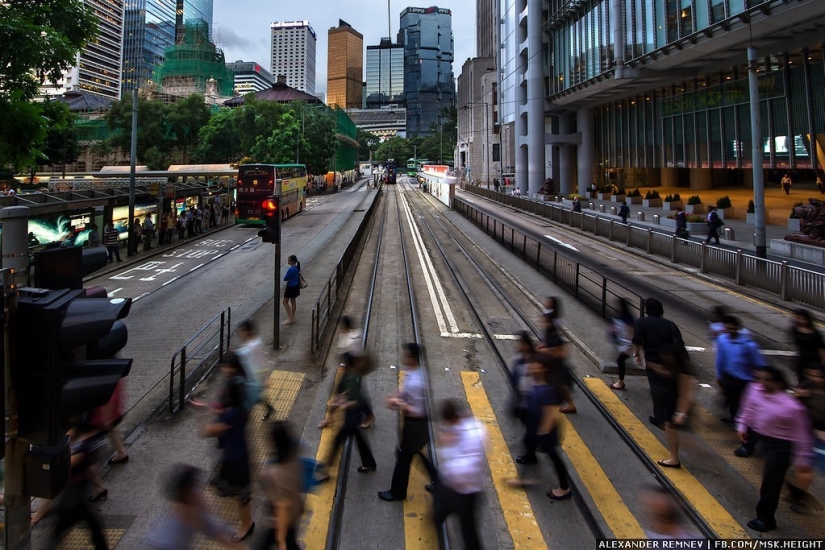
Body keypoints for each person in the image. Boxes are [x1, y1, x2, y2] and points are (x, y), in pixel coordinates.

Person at [736, 366, 812, 532]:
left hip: (782, 445)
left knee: (771, 482)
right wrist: (742, 425)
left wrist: (802, 459)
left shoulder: (792, 406)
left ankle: (766, 519)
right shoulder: (755, 389)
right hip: (765, 438)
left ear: (778, 383)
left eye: (767, 380)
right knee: (771, 476)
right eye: (761, 378)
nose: (762, 382)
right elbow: (748, 408)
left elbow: (802, 434)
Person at [632, 298, 693, 467]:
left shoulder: (642, 322)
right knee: (665, 392)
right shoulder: (671, 325)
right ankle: (665, 417)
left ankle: (663, 419)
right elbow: (679, 344)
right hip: (669, 366)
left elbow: (637, 340)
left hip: (654, 362)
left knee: (658, 391)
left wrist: (637, 355)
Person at [202, 365, 255, 542]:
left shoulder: (231, 414)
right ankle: (233, 495)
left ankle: (247, 524)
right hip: (235, 455)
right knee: (228, 487)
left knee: (242, 494)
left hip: (236, 459)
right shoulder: (240, 409)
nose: (223, 392)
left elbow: (209, 431)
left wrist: (206, 414)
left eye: (225, 391)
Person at [378, 342, 433, 502]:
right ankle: (439, 481)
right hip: (415, 426)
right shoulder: (415, 372)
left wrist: (399, 403)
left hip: (414, 424)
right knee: (410, 453)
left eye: (406, 356)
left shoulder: (417, 381)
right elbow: (406, 392)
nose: (403, 358)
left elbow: (418, 410)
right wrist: (398, 396)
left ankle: (397, 492)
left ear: (413, 359)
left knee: (404, 458)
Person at [430, 400, 486, 550]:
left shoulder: (474, 433)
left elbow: (467, 469)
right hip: (448, 486)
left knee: (469, 533)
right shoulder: (456, 428)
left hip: (467, 493)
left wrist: (448, 444)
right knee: (437, 513)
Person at [145, 464, 241, 549]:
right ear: (186, 492)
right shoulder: (182, 517)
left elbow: (213, 527)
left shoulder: (191, 501)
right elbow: (211, 527)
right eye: (193, 486)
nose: (199, 493)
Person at [316, 352, 377, 482]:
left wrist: (343, 403)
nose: (342, 366)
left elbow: (357, 400)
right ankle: (369, 463)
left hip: (352, 419)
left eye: (344, 364)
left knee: (336, 442)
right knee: (360, 440)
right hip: (353, 418)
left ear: (348, 365)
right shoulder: (349, 376)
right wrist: (339, 400)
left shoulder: (351, 379)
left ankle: (325, 471)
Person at [49, 420, 109, 549]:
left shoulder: (83, 446)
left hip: (73, 494)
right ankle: (101, 546)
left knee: (65, 520)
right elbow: (92, 468)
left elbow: (69, 463)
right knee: (90, 521)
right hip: (77, 491)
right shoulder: (90, 443)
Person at [257, 423, 306, 550]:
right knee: (290, 542)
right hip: (296, 507)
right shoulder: (294, 451)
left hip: (282, 520)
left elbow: (283, 506)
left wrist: (280, 538)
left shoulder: (277, 473)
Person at [715, 316, 766, 437]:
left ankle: (746, 428)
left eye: (733, 328)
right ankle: (733, 418)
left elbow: (759, 364)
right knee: (732, 401)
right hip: (729, 377)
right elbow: (720, 359)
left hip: (745, 380)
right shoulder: (722, 340)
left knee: (745, 405)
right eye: (728, 328)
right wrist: (719, 375)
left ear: (738, 328)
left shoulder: (749, 345)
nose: (730, 331)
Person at [790, 364, 825, 513]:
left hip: (821, 438)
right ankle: (799, 498)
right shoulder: (805, 388)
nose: (814, 379)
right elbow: (791, 408)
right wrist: (797, 396)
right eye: (812, 375)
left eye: (819, 376)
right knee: (804, 468)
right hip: (806, 435)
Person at [536, 312, 576, 414]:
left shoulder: (556, 336)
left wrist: (546, 351)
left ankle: (570, 406)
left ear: (550, 323)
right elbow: (547, 343)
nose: (543, 324)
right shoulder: (548, 332)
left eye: (545, 322)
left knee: (562, 387)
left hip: (557, 368)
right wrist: (541, 346)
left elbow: (562, 353)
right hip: (550, 366)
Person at [236, 319, 275, 421]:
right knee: (257, 394)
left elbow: (245, 353)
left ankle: (246, 416)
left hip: (256, 374)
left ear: (248, 331)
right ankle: (268, 408)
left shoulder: (253, 345)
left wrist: (235, 353)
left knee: (251, 395)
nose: (241, 334)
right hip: (258, 372)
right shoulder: (255, 341)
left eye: (242, 331)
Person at [510, 331, 536, 463]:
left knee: (530, 434)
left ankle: (531, 455)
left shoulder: (534, 361)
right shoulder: (519, 358)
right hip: (522, 401)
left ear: (526, 344)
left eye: (521, 342)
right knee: (528, 427)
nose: (518, 345)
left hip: (532, 403)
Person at [790, 308, 825, 385]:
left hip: (814, 359)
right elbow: (796, 345)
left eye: (803, 319)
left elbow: (821, 349)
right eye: (798, 318)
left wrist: (823, 364)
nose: (801, 321)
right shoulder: (794, 330)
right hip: (802, 359)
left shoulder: (815, 334)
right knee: (801, 380)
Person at [609, 298, 635, 390]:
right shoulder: (619, 316)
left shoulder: (628, 319)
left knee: (620, 361)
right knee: (620, 361)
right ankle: (620, 382)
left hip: (627, 344)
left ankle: (620, 382)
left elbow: (631, 333)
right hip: (621, 343)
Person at [282, 255, 301, 325]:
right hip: (296, 287)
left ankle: (290, 318)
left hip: (290, 287)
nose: (288, 261)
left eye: (289, 260)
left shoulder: (290, 270)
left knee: (285, 302)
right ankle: (292, 317)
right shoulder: (297, 268)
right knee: (293, 301)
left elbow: (285, 278)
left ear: (292, 261)